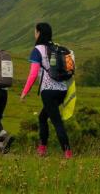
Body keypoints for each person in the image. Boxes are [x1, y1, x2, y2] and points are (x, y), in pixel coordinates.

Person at [20, 22, 72, 159]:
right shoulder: (56, 48)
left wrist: (25, 92)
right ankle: (42, 148)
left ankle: (67, 152)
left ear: (38, 33)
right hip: (62, 89)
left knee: (56, 121)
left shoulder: (38, 50)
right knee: (43, 117)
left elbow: (33, 73)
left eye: (35, 32)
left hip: (48, 90)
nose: (34, 34)